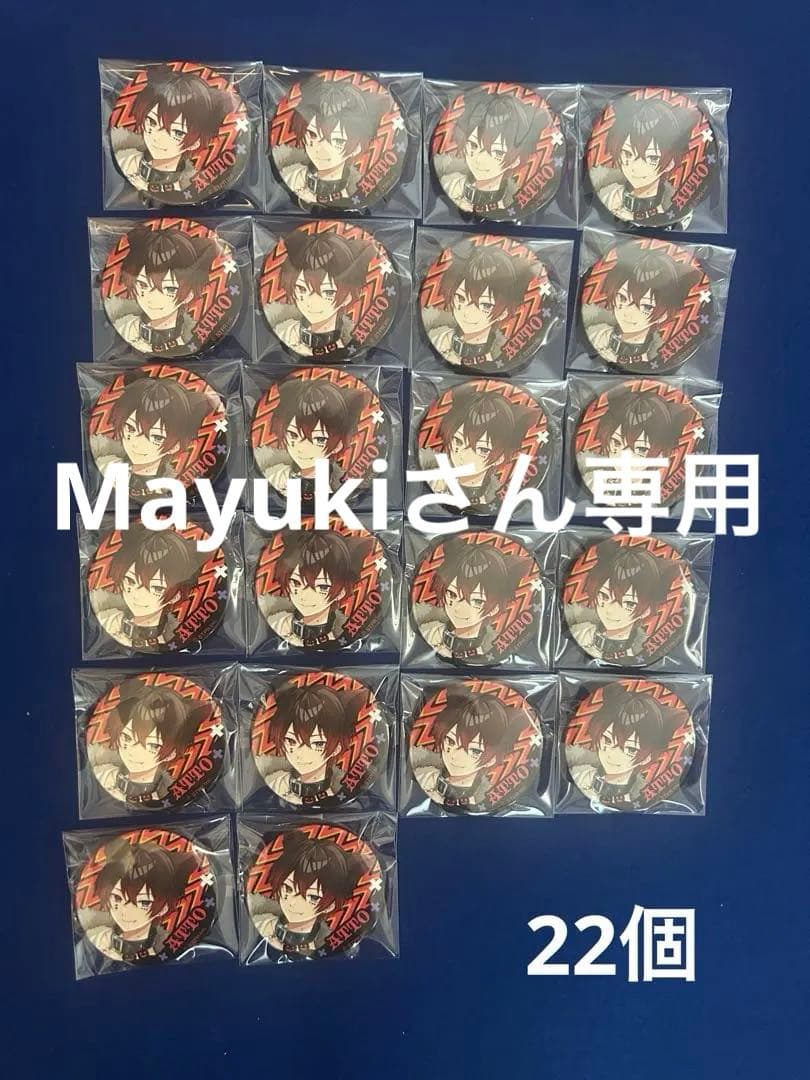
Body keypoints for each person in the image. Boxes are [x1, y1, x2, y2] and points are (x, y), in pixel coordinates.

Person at [116, 65, 231, 196]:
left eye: (178, 133)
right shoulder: (125, 163)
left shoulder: (193, 187)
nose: (157, 137)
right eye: (152, 122)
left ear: (195, 143)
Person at [94, 371, 213, 498]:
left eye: (157, 437)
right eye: (130, 428)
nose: (136, 443)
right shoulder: (106, 467)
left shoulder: (173, 486)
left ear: (175, 446)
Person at [92, 679, 208, 807]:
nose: (134, 751)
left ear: (171, 753)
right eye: (127, 737)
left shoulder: (169, 795)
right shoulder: (100, 776)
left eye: (153, 745)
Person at [568, 683, 683, 808]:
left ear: (647, 757)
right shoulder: (580, 775)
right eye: (607, 740)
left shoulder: (643, 796)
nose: (612, 753)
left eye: (630, 749)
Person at [252, 831, 367, 955]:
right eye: (288, 888)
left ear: (330, 906)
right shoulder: (263, 923)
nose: (292, 902)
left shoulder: (327, 941)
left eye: (313, 897)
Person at [565, 542, 681, 662]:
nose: (610, 610)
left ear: (646, 610)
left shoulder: (644, 652)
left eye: (629, 604)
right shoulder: (579, 634)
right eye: (604, 595)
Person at [426, 242, 536, 368]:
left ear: (504, 312)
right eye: (461, 298)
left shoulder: (503, 356)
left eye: (486, 305)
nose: (467, 312)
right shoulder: (437, 339)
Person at [85, 837, 197, 961]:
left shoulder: (168, 947)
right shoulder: (96, 938)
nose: (125, 911)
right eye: (117, 898)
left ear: (163, 908)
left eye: (144, 902)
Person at [93, 525, 203, 650]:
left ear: (176, 596)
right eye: (130, 580)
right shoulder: (104, 622)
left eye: (157, 588)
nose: (137, 594)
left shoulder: (174, 638)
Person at [439, 90, 549, 214]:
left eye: (498, 153)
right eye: (473, 145)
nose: (479, 158)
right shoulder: (449, 184)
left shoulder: (513, 204)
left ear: (515, 160)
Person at [414, 685, 524, 809]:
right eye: (450, 741)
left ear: (492, 759)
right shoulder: (423, 777)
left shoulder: (487, 797)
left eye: (475, 751)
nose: (455, 755)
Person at [417, 537, 526, 661]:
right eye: (452, 594)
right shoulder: (428, 633)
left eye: (477, 601)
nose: (458, 608)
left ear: (494, 609)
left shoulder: (493, 650)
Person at [279, 79, 385, 206]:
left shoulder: (358, 194)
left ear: (357, 147)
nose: (319, 148)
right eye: (312, 134)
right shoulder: (289, 179)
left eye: (337, 141)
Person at [427, 383, 535, 509]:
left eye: (483, 450)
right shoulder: (429, 472)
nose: (463, 455)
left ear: (500, 458)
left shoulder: (497, 496)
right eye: (458, 441)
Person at [586, 247, 698, 367]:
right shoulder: (595, 335)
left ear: (664, 315)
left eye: (647, 307)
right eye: (622, 298)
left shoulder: (659, 355)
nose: (628, 312)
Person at [114, 225, 217, 353]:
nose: (152, 298)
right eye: (143, 285)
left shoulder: (191, 342)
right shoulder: (123, 329)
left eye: (170, 289)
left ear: (189, 294)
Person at [272, 230, 375, 356]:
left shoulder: (349, 345)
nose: (311, 302)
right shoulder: (284, 334)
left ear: (348, 296)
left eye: (328, 292)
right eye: (301, 289)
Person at [262, 377, 367, 499]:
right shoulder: (275, 476)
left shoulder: (345, 488)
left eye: (319, 439)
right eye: (293, 435)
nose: (301, 448)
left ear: (338, 445)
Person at [265, 530, 374, 648]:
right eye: (296, 582)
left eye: (322, 587)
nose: (304, 596)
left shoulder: (342, 639)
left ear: (341, 592)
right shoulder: (275, 625)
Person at [262, 681, 366, 804]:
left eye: (318, 743)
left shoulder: (337, 798)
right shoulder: (274, 784)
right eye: (290, 740)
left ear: (337, 748)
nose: (300, 754)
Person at [596, 97, 693, 223]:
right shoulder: (608, 196)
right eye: (627, 153)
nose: (635, 167)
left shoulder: (670, 210)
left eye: (652, 157)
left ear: (670, 163)